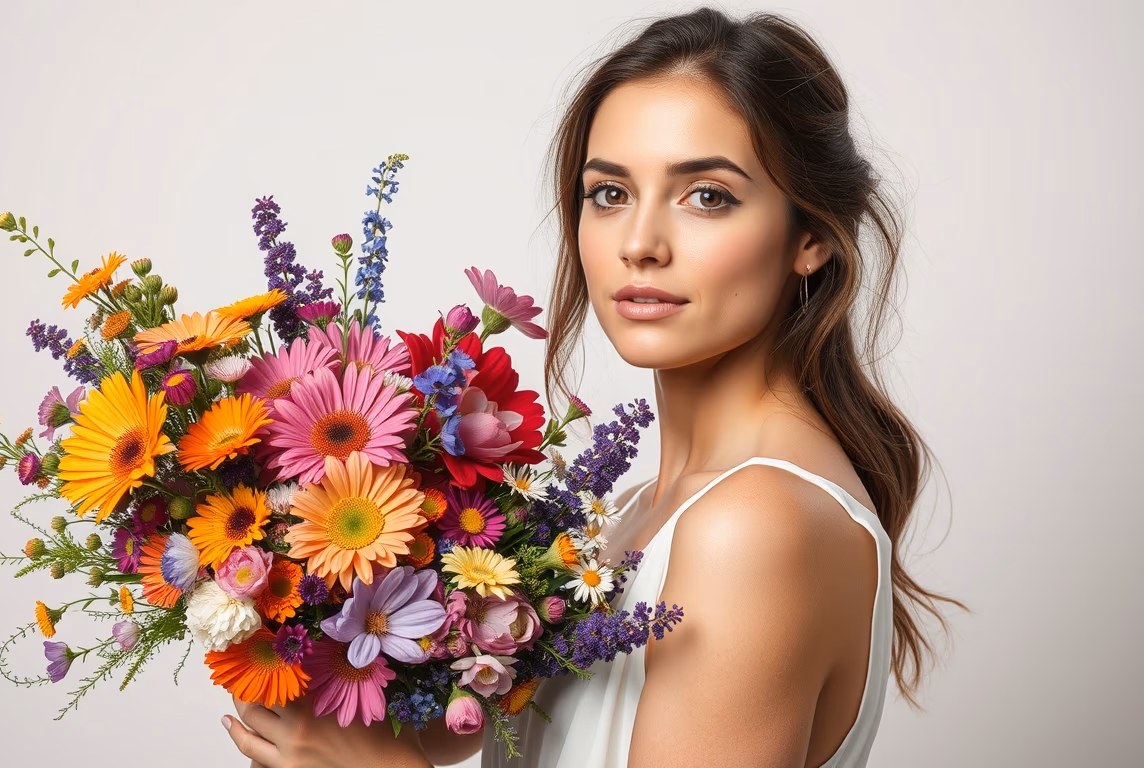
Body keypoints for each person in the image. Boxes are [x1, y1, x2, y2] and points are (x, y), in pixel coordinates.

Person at [220, 6, 966, 766]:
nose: (639, 244)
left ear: (810, 236)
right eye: (609, 193)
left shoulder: (752, 527)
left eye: (707, 194)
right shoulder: (640, 512)